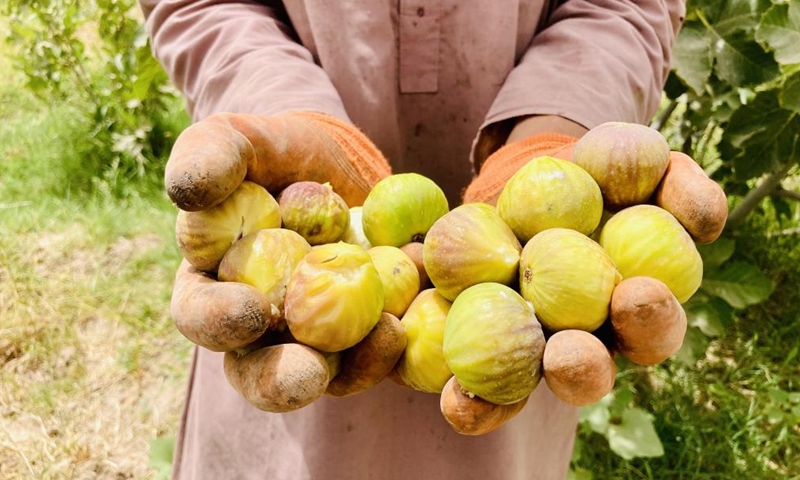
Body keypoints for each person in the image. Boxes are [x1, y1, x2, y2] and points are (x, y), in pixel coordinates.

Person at [138, 1, 686, 478]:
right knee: (290, 398)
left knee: (494, 404)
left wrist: (553, 127)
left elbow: (624, 5)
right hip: (291, 251)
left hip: (526, 319)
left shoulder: (525, 262)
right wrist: (278, 108)